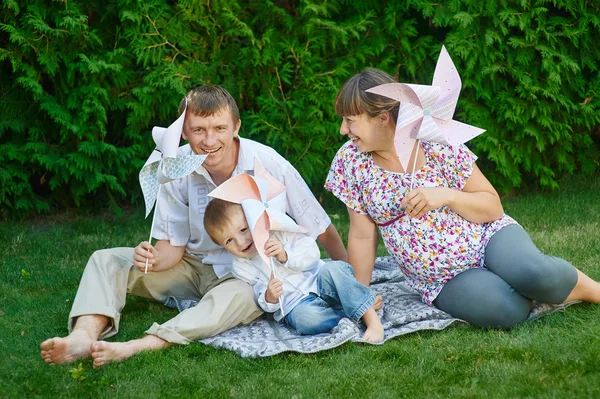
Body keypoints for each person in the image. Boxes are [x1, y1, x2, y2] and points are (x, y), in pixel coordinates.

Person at [40, 85, 348, 367]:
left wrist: (351, 277)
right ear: (184, 132)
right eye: (198, 130)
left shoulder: (268, 162)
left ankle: (143, 344)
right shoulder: (174, 167)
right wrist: (152, 258)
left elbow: (317, 223)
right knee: (106, 259)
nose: (209, 140)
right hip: (192, 264)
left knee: (240, 298)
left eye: (219, 128)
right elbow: (171, 247)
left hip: (246, 274)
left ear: (236, 127)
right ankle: (82, 336)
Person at [324, 68, 600, 329]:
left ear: (382, 117)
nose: (343, 130)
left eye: (350, 120)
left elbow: (493, 207)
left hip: (487, 237)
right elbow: (361, 235)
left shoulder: (434, 142)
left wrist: (444, 195)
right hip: (442, 277)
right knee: (505, 310)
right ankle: (520, 285)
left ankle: (590, 289)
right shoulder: (350, 162)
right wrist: (360, 297)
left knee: (534, 273)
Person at [203, 198, 384, 342]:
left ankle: (371, 319)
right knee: (307, 320)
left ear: (252, 219)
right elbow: (259, 297)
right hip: (295, 304)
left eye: (243, 230)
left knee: (334, 269)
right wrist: (269, 297)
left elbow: (312, 252)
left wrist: (285, 255)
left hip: (319, 281)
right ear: (220, 245)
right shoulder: (241, 267)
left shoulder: (278, 232)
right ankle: (354, 310)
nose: (241, 242)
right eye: (229, 241)